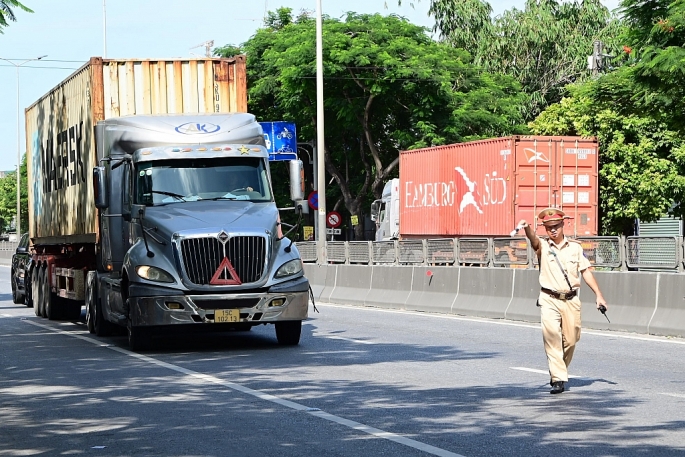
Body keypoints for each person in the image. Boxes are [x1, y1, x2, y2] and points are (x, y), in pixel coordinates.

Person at [518, 208, 607, 394]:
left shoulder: (575, 247)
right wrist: (526, 228)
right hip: (549, 299)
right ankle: (558, 378)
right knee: (552, 337)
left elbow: (586, 272)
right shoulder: (543, 245)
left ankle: (559, 370)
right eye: (549, 227)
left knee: (572, 339)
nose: (553, 230)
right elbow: (533, 240)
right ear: (545, 228)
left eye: (556, 226)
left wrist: (598, 295)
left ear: (563, 225)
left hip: (571, 299)